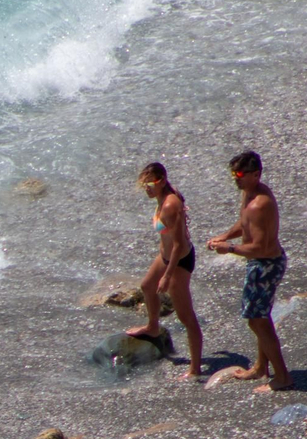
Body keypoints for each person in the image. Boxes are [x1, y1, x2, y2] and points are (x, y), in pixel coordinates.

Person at [208, 150, 293, 392]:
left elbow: (261, 247)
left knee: (258, 321)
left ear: (256, 174)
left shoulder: (260, 203)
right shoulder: (248, 193)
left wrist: (230, 248)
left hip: (266, 264)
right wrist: (225, 235)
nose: (236, 178)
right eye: (233, 173)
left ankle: (283, 377)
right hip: (258, 262)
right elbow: (245, 222)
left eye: (241, 174)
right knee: (258, 317)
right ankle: (260, 367)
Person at [126, 162, 205, 379]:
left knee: (186, 316)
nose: (147, 189)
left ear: (161, 181)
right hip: (166, 255)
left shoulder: (171, 204)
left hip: (179, 260)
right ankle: (152, 326)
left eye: (150, 184)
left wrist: (168, 275)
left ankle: (195, 369)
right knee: (147, 286)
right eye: (144, 184)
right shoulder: (163, 196)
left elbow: (179, 244)